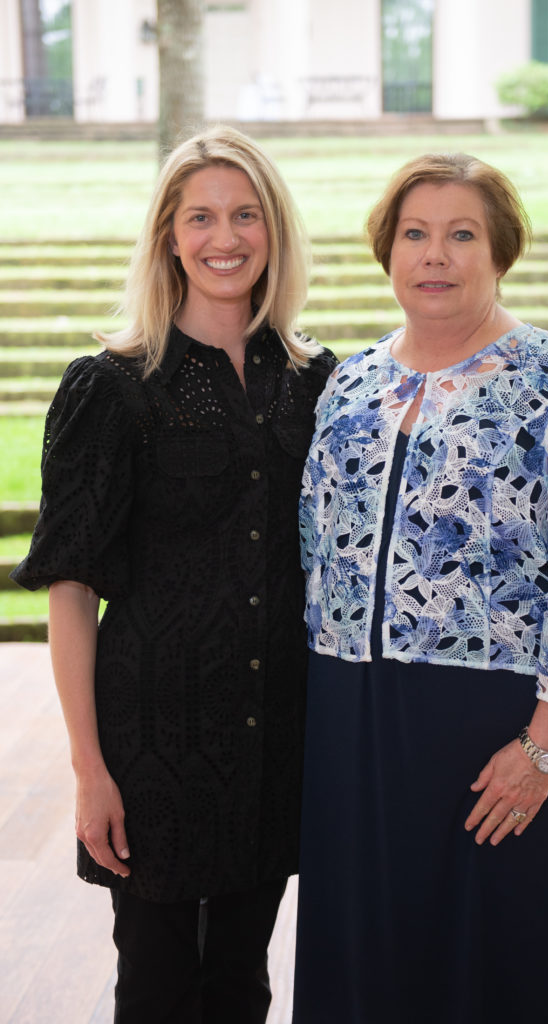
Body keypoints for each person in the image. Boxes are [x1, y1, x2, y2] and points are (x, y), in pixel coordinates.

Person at [293, 152, 548, 1024]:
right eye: (415, 234)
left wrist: (543, 750)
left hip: (516, 735)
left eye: (463, 235)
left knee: (514, 975)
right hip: (362, 735)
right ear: (387, 251)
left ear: (501, 253)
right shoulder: (351, 385)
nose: (436, 255)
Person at [11, 125, 336, 1023]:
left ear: (275, 231)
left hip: (276, 730)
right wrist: (88, 770)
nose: (223, 237)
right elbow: (71, 588)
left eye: (245, 214)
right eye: (200, 216)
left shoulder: (317, 381)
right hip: (153, 738)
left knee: (243, 979)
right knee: (156, 985)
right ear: (167, 234)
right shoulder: (111, 387)